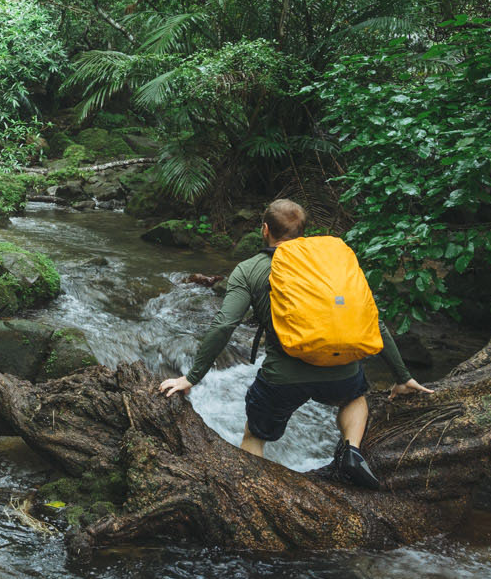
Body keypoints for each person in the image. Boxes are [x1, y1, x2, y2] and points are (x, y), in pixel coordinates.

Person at [157, 199, 431, 488]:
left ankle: (253, 489)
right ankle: (352, 451)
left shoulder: (250, 269)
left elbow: (225, 324)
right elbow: (372, 321)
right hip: (342, 372)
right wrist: (403, 377)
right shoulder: (330, 264)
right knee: (354, 398)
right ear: (303, 232)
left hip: (283, 378)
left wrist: (191, 377)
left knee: (255, 436)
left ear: (264, 230)